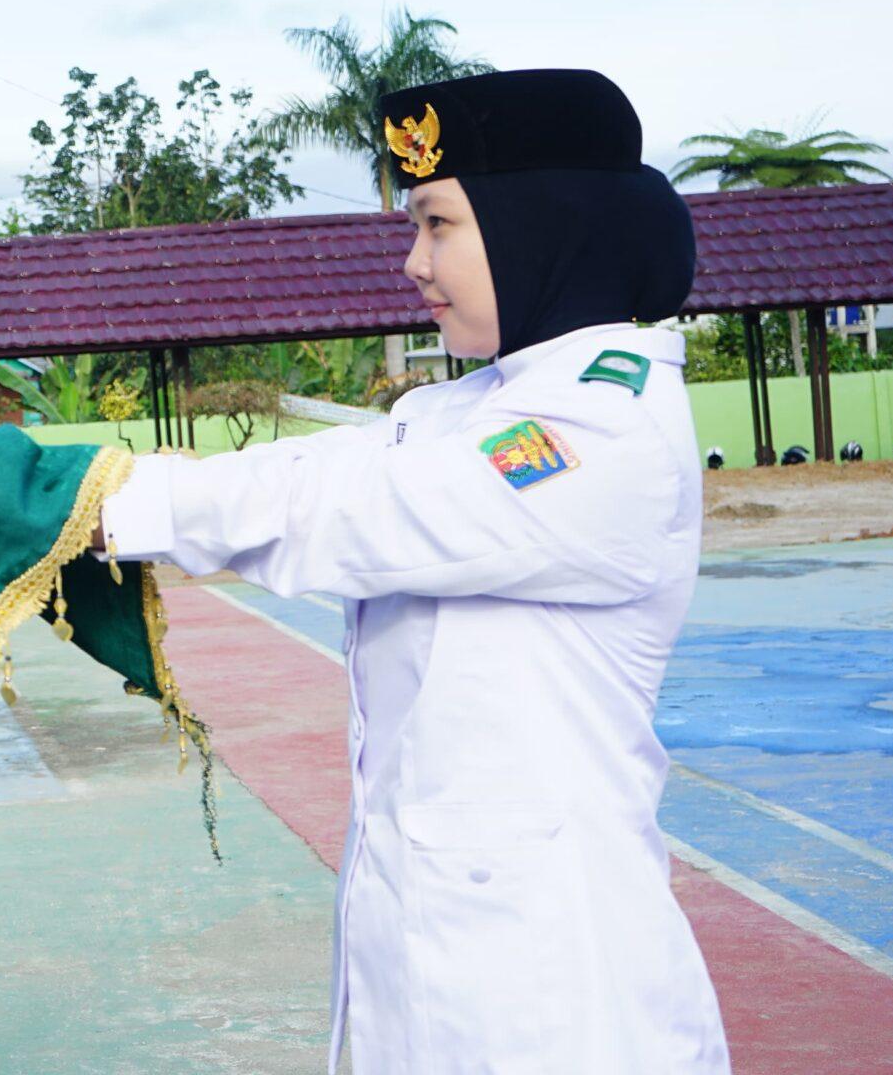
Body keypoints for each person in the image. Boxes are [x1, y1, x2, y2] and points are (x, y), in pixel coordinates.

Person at [97, 69, 727, 1074]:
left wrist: (96, 504)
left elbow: (353, 512)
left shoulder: (597, 428)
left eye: (438, 225)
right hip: (429, 959)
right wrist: (113, 487)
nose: (412, 263)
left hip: (556, 1000)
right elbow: (315, 469)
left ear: (542, 230)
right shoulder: (466, 412)